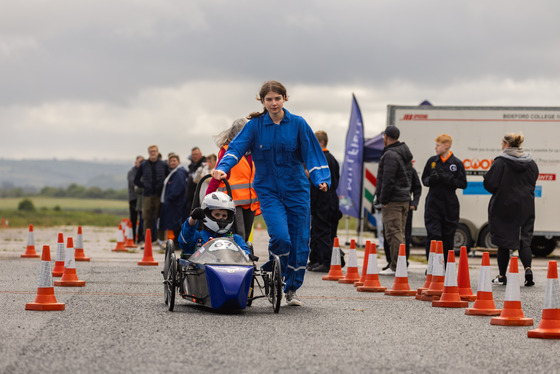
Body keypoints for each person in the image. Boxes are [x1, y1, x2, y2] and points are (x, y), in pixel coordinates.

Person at [211, 80, 330, 306]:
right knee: (282, 238)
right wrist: (222, 168)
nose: (274, 103)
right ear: (263, 101)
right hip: (269, 190)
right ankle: (273, 274)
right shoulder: (255, 125)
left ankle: (292, 288)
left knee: (300, 242)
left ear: (284, 98)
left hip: (297, 190)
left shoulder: (298, 124)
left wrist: (320, 179)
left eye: (277, 98)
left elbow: (312, 153)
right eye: (269, 99)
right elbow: (235, 148)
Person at [483, 133, 538, 286]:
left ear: (506, 144)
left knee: (503, 242)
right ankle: (528, 271)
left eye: (502, 142)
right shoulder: (531, 163)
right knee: (524, 240)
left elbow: (490, 184)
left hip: (504, 207)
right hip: (526, 206)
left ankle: (502, 276)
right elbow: (533, 182)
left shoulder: (500, 162)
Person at [207, 118, 260, 242]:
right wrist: (207, 196)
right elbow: (217, 175)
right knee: (239, 233)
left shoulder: (254, 151)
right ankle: (238, 258)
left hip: (250, 201)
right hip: (232, 200)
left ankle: (245, 255)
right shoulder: (227, 151)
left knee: (246, 234)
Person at [421, 134, 467, 263]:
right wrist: (432, 179)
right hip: (433, 203)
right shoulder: (432, 161)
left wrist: (448, 179)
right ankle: (431, 265)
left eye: (438, 145)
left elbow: (463, 184)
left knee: (448, 237)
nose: (436, 147)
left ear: (446, 146)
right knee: (433, 236)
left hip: (449, 205)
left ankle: (446, 266)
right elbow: (424, 179)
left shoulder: (456, 163)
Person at [375, 125, 414, 275]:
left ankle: (396, 266)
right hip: (404, 198)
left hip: (393, 200)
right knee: (400, 233)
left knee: (393, 233)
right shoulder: (404, 153)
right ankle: (399, 264)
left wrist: (383, 199)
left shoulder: (390, 155)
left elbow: (388, 179)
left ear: (386, 137)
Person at [308, 130, 342, 273]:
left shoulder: (322, 160)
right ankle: (318, 259)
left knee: (322, 232)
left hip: (323, 202)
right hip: (331, 200)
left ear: (321, 142)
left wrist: (312, 203)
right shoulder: (332, 159)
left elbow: (318, 184)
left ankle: (327, 262)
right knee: (319, 232)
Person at [178, 192, 250, 258]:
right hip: (202, 271)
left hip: (230, 270)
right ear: (208, 214)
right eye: (217, 215)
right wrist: (193, 218)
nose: (221, 219)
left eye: (224, 216)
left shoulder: (235, 239)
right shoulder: (197, 237)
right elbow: (184, 241)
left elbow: (246, 255)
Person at [382, 167, 421, 269]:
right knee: (388, 234)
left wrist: (414, 203)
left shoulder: (410, 170)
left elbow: (417, 188)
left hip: (405, 206)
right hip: (390, 206)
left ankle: (403, 260)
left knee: (404, 235)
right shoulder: (389, 169)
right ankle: (390, 261)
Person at [134, 145, 170, 243]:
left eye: (154, 151)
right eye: (151, 151)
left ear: (157, 152)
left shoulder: (163, 164)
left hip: (159, 195)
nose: (152, 153)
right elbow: (136, 179)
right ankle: (147, 240)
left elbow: (169, 178)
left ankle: (161, 240)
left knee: (160, 218)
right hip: (147, 196)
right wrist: (144, 186)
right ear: (148, 153)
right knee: (146, 218)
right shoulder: (143, 165)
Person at [159, 154, 188, 246]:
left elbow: (178, 188)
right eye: (170, 161)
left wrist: (170, 197)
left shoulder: (179, 173)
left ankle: (177, 243)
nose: (172, 163)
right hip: (173, 202)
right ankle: (175, 242)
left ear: (178, 162)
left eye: (174, 161)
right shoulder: (174, 172)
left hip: (176, 203)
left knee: (176, 223)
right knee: (173, 223)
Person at [127, 155, 144, 243]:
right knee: (133, 219)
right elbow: (133, 183)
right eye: (139, 162)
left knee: (142, 219)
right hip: (134, 198)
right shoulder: (132, 172)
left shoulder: (144, 171)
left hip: (142, 198)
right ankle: (132, 237)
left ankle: (140, 237)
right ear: (136, 163)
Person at [185, 147, 206, 214]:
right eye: (193, 155)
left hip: (199, 198)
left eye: (196, 154)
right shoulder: (192, 166)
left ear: (200, 154)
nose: (195, 156)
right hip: (190, 197)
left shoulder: (203, 165)